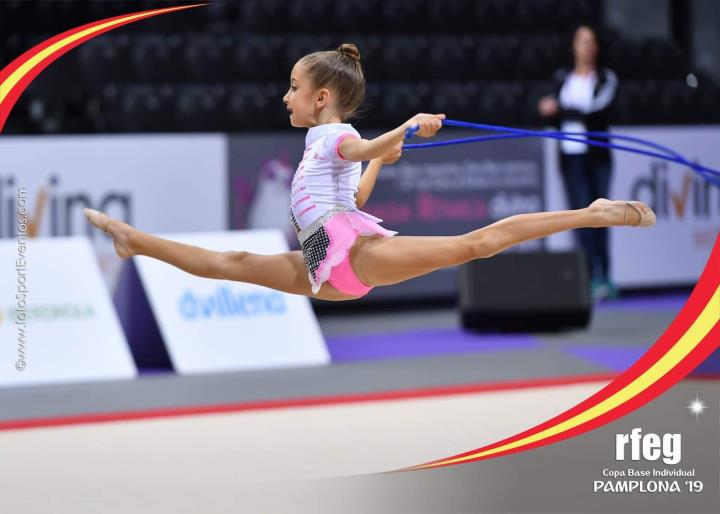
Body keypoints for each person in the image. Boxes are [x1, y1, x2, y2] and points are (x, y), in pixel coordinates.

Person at [84, 43, 654, 303]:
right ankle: (136, 242)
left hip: (347, 256)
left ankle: (592, 212)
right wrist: (385, 155)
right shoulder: (321, 145)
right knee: (231, 263)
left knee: (475, 245)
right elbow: (352, 190)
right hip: (323, 258)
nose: (286, 96)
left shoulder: (336, 135)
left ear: (322, 96)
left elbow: (357, 151)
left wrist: (399, 133)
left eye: (293, 87)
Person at [538, 25, 619, 301]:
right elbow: (548, 112)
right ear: (574, 46)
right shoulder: (562, 78)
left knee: (602, 216)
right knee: (581, 218)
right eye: (583, 41)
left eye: (592, 41)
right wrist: (549, 110)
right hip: (570, 157)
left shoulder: (606, 78)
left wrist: (559, 109)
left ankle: (604, 276)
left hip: (597, 158)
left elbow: (595, 111)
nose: (588, 46)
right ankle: (586, 277)